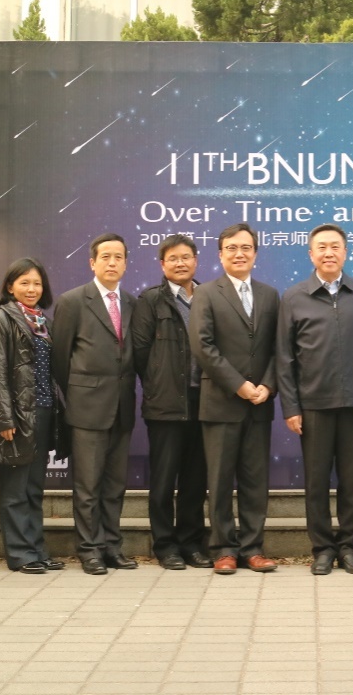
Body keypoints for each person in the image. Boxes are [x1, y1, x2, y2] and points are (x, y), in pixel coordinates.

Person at [277, 224, 353, 576]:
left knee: (351, 481)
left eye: (335, 246)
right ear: (311, 254)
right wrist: (291, 407)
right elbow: (284, 358)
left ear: (345, 252)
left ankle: (350, 547)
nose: (328, 253)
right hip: (313, 405)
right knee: (317, 482)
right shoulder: (294, 297)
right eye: (321, 247)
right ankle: (322, 548)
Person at [188, 223, 280, 575]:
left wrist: (267, 385)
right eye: (231, 248)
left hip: (260, 404)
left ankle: (253, 548)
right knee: (220, 481)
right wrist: (240, 385)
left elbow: (279, 347)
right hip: (221, 402)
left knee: (256, 482)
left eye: (245, 248)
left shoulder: (270, 295)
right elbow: (203, 346)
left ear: (255, 253)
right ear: (220, 254)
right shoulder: (206, 293)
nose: (239, 254)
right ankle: (224, 549)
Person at [51, 233, 139, 576]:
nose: (112, 262)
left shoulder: (131, 302)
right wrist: (80, 393)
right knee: (87, 486)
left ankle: (112, 547)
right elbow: (60, 359)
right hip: (87, 408)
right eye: (106, 257)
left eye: (118, 257)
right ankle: (89, 550)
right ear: (92, 262)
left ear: (126, 264)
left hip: (122, 407)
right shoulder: (73, 301)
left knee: (115, 485)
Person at [0, 258, 65, 574]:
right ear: (10, 287)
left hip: (43, 411)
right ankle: (20, 554)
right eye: (24, 282)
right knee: (15, 489)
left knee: (34, 487)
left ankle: (37, 550)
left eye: (37, 283)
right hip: (15, 416)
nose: (32, 289)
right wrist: (4, 419)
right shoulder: (1, 319)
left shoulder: (44, 322)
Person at [132, 235, 212, 570]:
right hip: (165, 404)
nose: (180, 263)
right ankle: (165, 546)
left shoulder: (209, 295)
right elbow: (140, 352)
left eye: (186, 257)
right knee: (164, 481)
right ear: (162, 264)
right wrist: (158, 383)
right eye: (173, 258)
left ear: (196, 260)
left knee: (196, 480)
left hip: (205, 403)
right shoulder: (151, 299)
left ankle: (192, 543)